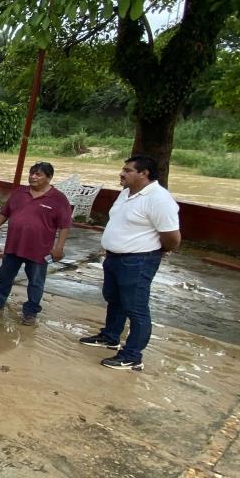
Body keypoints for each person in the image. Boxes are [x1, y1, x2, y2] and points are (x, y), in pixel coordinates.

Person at [79, 154, 180, 371]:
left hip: (138, 261)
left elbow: (172, 237)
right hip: (114, 257)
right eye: (123, 169)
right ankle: (110, 336)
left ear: (144, 174)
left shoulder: (159, 199)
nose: (121, 173)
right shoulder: (126, 193)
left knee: (136, 308)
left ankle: (132, 355)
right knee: (114, 299)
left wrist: (157, 251)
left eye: (127, 170)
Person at [0, 162, 73, 325]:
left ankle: (30, 312)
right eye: (32, 173)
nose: (33, 177)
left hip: (40, 250)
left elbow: (65, 225)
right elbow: (5, 212)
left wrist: (59, 248)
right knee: (5, 275)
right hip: (14, 245)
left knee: (36, 281)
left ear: (49, 178)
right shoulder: (20, 192)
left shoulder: (58, 199)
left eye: (38, 175)